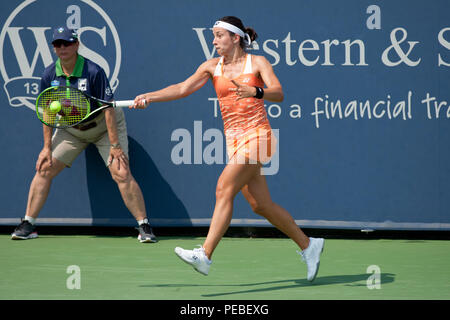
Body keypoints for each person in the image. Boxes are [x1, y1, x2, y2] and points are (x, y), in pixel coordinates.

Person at [132, 16, 324, 280]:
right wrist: (148, 97)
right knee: (260, 205)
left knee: (223, 188)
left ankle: (205, 254)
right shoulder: (212, 67)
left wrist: (256, 91)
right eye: (213, 36)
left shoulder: (257, 62)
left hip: (259, 137)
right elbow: (182, 88)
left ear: (235, 38)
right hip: (235, 142)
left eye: (219, 35)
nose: (214, 41)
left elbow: (278, 93)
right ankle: (309, 245)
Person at [11, 26, 157, 243]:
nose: (63, 48)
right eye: (58, 44)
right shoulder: (49, 74)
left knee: (121, 172)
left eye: (67, 43)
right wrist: (46, 147)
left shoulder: (93, 71)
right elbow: (47, 113)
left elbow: (107, 109)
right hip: (71, 129)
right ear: (53, 48)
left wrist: (115, 145)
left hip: (103, 127)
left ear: (77, 45)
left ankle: (144, 226)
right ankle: (28, 223)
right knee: (45, 167)